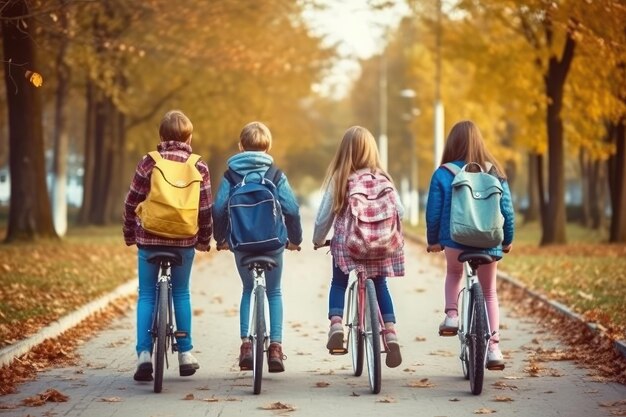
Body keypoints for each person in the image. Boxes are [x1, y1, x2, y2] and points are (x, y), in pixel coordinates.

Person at [123, 110, 213, 381]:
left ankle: (143, 355)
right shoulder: (199, 166)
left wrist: (130, 233)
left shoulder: (149, 162)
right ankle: (185, 352)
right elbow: (206, 208)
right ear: (190, 137)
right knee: (182, 292)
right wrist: (203, 240)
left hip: (150, 238)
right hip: (184, 239)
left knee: (147, 295)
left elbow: (132, 200)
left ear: (161, 136)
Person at [212, 121, 302, 373]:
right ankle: (275, 347)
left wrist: (220, 239)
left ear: (241, 146)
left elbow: (218, 209)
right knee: (274, 292)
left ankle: (245, 346)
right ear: (268, 146)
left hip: (241, 244)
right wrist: (295, 240)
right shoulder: (275, 174)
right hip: (273, 243)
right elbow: (292, 209)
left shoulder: (231, 175)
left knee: (247, 289)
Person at [425, 120, 514, 370]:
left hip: (455, 238)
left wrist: (433, 240)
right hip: (489, 241)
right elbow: (506, 208)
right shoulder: (495, 171)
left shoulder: (443, 173)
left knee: (454, 273)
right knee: (489, 292)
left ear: (452, 143)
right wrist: (507, 239)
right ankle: (494, 348)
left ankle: (452, 316)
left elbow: (433, 211)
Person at [313, 125, 404, 368]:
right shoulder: (384, 179)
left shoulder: (341, 178)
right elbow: (401, 211)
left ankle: (336, 324)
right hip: (381, 246)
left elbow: (324, 217)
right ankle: (391, 333)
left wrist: (318, 239)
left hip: (349, 244)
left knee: (338, 282)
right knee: (380, 284)